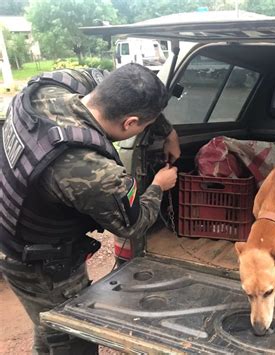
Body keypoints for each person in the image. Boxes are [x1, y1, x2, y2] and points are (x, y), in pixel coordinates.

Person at [0, 63, 179, 354]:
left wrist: (167, 132)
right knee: (70, 338)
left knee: (46, 325)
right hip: (41, 267)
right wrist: (159, 185)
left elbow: (106, 78)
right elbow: (133, 224)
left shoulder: (47, 89)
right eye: (145, 127)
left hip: (13, 232)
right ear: (130, 124)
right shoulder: (92, 173)